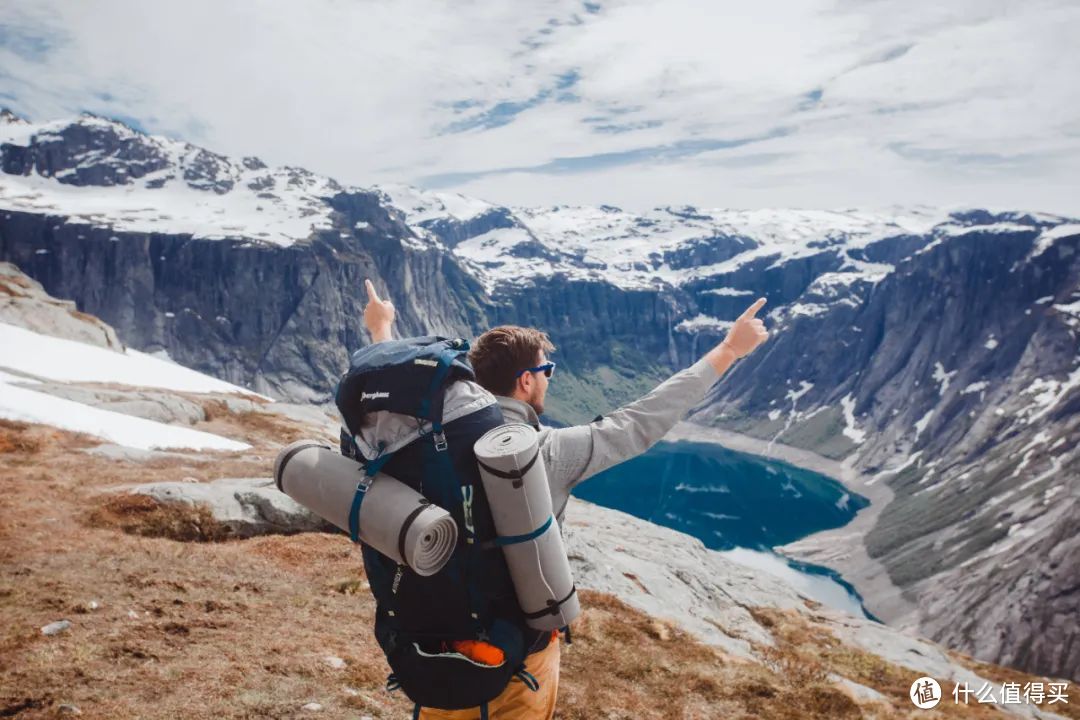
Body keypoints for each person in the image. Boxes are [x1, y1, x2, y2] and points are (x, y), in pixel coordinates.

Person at [362, 279, 769, 719]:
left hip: (433, 646)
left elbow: (394, 403)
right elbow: (642, 420)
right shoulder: (544, 451)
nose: (549, 379)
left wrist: (381, 331)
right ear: (525, 381)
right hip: (519, 657)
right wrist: (728, 350)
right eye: (547, 371)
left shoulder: (424, 441)